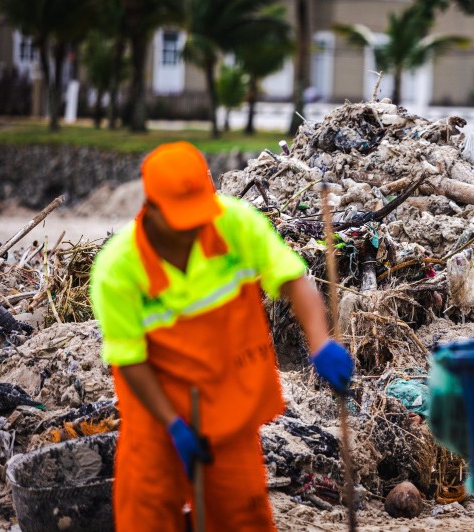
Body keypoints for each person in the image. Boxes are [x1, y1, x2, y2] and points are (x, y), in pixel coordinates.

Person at [89, 141, 353, 531]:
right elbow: (129, 360)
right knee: (147, 518)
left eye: (200, 215)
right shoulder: (118, 268)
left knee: (242, 519)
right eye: (184, 219)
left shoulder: (236, 224)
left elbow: (294, 280)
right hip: (157, 423)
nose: (196, 227)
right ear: (153, 209)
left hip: (229, 411)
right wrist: (173, 425)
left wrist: (320, 341)